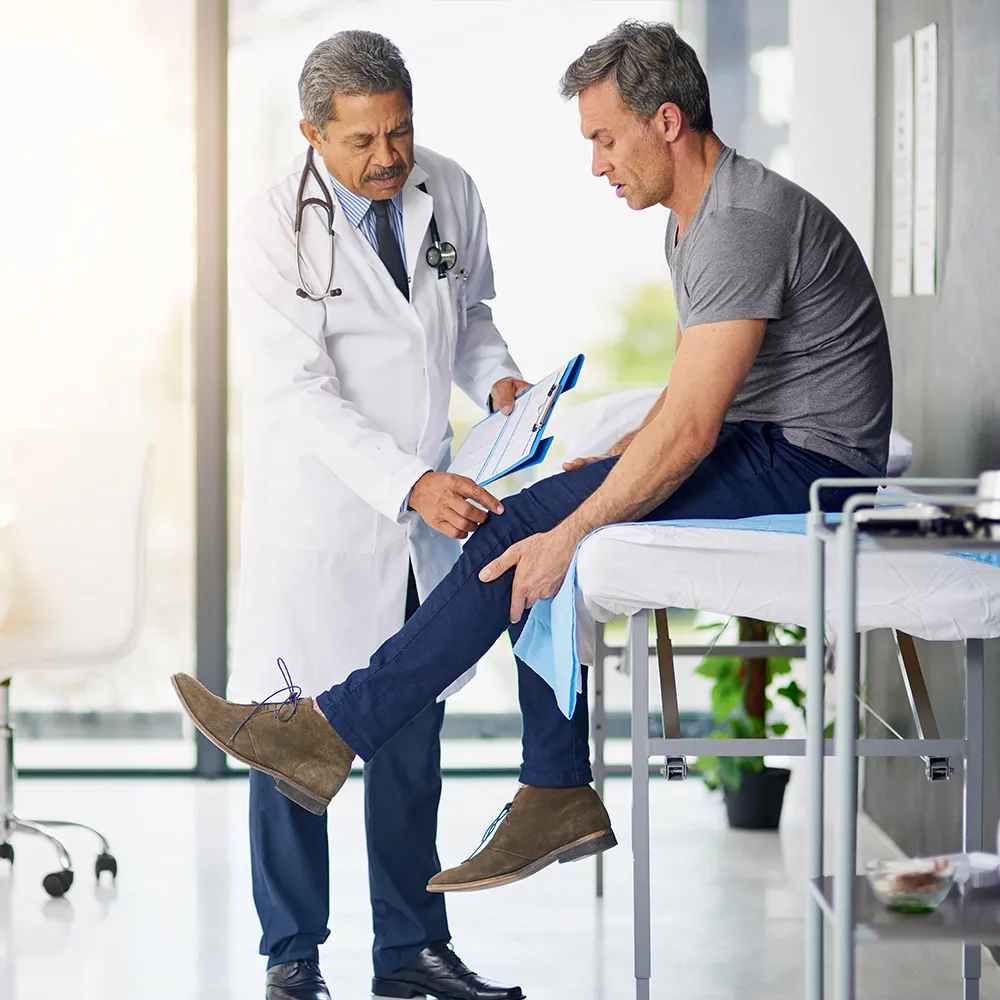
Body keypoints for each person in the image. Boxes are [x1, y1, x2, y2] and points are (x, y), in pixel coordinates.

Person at [175, 19, 892, 904]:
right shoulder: (702, 220)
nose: (596, 163)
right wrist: (612, 465)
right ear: (314, 136)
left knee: (530, 533)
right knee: (538, 520)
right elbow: (703, 399)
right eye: (364, 140)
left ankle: (385, 755)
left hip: (808, 465)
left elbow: (693, 422)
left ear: (666, 122)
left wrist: (567, 495)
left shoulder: (733, 225)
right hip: (331, 502)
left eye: (603, 137)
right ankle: (522, 795)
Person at [226, 29, 527, 1000]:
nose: (389, 157)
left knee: (409, 737)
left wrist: (502, 383)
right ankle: (291, 957)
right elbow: (295, 392)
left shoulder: (449, 187)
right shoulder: (274, 222)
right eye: (363, 142)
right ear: (313, 133)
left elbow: (470, 316)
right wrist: (405, 482)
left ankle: (409, 951)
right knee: (289, 742)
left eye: (399, 132)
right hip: (320, 517)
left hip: (422, 519)